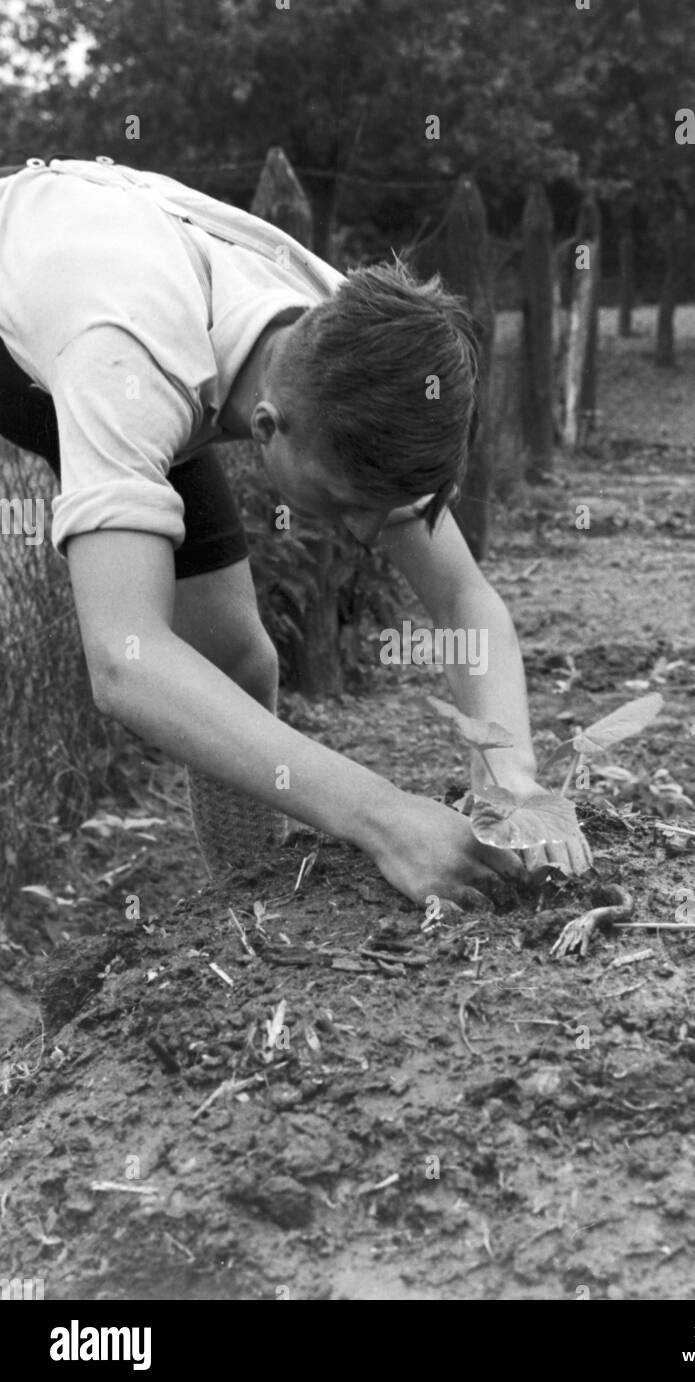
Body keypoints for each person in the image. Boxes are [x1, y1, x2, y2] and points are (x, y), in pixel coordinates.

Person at [0, 156, 579, 906]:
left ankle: (246, 904)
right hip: (59, 306)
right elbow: (125, 661)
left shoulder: (351, 341)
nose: (374, 534)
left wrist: (510, 777)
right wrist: (384, 817)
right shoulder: (127, 367)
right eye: (348, 503)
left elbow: (464, 599)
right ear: (266, 427)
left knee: (236, 657)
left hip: (126, 286)